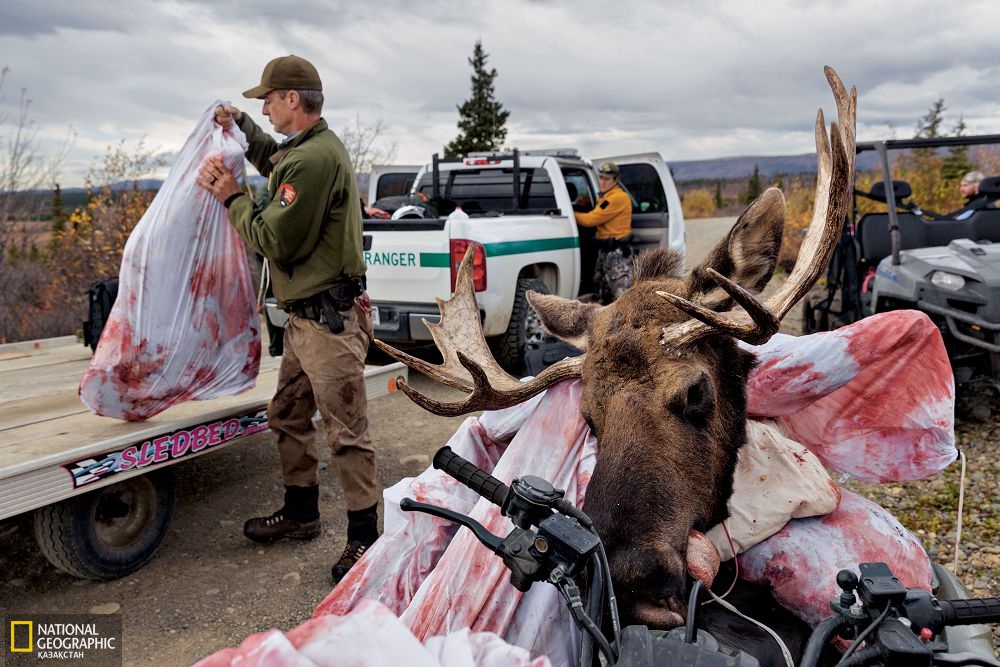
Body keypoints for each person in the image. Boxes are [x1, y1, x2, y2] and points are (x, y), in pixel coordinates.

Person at [197, 54, 379, 584]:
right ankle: (301, 513)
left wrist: (232, 198)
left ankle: (366, 541)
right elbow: (274, 161)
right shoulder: (305, 149)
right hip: (306, 321)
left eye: (268, 101)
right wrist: (241, 126)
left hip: (328, 326)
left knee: (347, 433)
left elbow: (274, 239)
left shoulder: (314, 159)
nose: (265, 109)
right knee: (288, 414)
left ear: (293, 99)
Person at [575, 162, 634, 303]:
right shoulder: (605, 197)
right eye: (600, 178)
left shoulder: (618, 197)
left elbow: (590, 220)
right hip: (605, 252)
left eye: (607, 179)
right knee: (603, 296)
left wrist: (570, 213)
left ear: (616, 179)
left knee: (622, 298)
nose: (602, 182)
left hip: (617, 254)